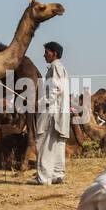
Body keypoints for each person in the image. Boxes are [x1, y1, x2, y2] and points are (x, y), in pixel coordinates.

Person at [34, 41, 69, 184]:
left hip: (52, 112)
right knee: (58, 143)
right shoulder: (60, 68)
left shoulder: (55, 68)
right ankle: (57, 174)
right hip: (60, 111)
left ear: (54, 53)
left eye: (46, 52)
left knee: (46, 143)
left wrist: (40, 103)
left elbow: (55, 90)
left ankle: (43, 178)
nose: (44, 55)